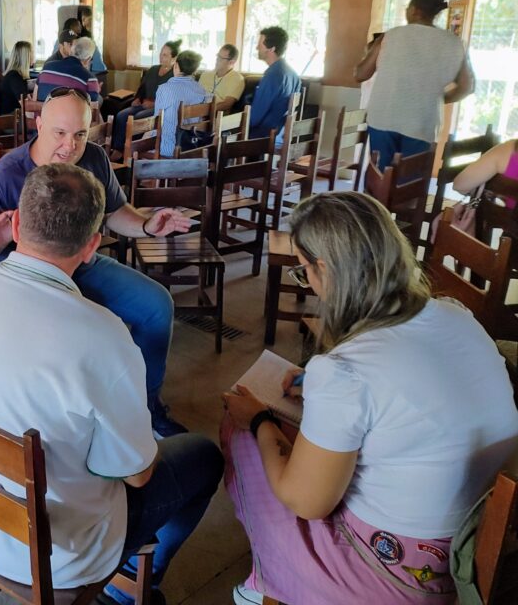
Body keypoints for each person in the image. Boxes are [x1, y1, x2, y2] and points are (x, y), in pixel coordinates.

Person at [0, 163, 224, 604]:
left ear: (18, 224)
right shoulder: (104, 336)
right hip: (60, 555)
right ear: (92, 247)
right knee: (203, 456)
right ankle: (129, 588)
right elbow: (137, 474)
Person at [221, 192, 518, 605]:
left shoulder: (346, 372)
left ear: (325, 269)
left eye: (304, 272)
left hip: (395, 574)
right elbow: (408, 388)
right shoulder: (455, 314)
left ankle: (273, 576)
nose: (310, 284)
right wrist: (315, 385)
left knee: (241, 437)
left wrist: (258, 420)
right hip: (473, 540)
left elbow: (308, 503)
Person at [0, 88, 193, 437]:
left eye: (80, 134)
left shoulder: (95, 159)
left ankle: (146, 407)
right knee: (77, 338)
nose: (70, 146)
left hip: (82, 264)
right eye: (60, 133)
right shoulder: (8, 174)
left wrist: (146, 224)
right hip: (25, 280)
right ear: (38, 125)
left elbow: (116, 213)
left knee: (156, 305)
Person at [355, 0, 474, 170]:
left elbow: (360, 74)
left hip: (383, 118)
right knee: (409, 183)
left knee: (379, 177)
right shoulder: (455, 43)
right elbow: (467, 86)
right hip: (422, 122)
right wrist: (438, 99)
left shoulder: (391, 36)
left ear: (414, 10)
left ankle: (376, 199)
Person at [110, 41, 179, 153]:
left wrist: (154, 104)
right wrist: (137, 98)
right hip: (143, 103)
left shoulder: (174, 75)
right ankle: (118, 149)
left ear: (174, 58)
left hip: (158, 108)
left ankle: (133, 150)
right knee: (121, 115)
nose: (161, 56)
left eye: (165, 55)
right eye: (161, 53)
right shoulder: (153, 69)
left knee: (139, 117)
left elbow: (172, 99)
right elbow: (142, 87)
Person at [153, 50, 210, 157]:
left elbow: (157, 121)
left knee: (137, 143)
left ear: (176, 66)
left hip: (167, 149)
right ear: (194, 70)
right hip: (192, 146)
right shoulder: (201, 90)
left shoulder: (164, 89)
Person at [248, 26, 299, 140]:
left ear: (271, 49)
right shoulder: (293, 74)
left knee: (220, 139)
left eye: (260, 45)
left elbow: (255, 117)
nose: (257, 48)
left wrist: (239, 126)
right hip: (281, 133)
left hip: (263, 135)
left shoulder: (272, 75)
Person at [36, 36, 102, 102]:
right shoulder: (90, 79)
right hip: (71, 112)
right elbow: (92, 108)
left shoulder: (46, 68)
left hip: (44, 111)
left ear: (71, 51)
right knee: (99, 99)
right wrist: (96, 90)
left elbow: (35, 98)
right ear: (88, 59)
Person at [0, 41, 33, 115]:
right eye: (31, 53)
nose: (33, 56)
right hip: (10, 119)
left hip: (14, 115)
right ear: (25, 57)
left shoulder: (15, 74)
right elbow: (26, 105)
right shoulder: (14, 77)